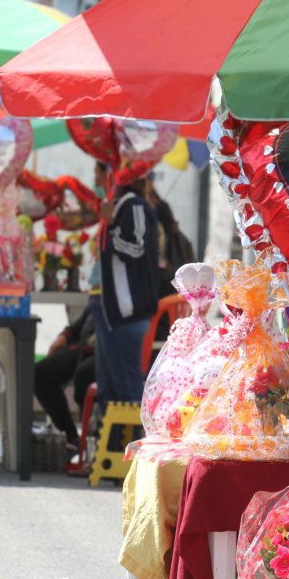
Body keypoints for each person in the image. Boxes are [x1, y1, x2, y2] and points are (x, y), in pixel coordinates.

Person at [91, 165, 159, 412]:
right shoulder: (121, 206)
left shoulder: (134, 206)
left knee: (127, 385)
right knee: (108, 386)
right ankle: (112, 447)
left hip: (127, 310)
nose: (95, 179)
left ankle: (136, 444)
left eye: (99, 173)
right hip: (111, 310)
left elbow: (135, 248)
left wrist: (110, 226)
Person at [33, 310, 97, 453]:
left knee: (84, 374)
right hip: (86, 347)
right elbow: (86, 317)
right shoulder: (100, 293)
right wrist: (65, 336)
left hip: (114, 348)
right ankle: (71, 437)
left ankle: (95, 437)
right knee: (40, 374)